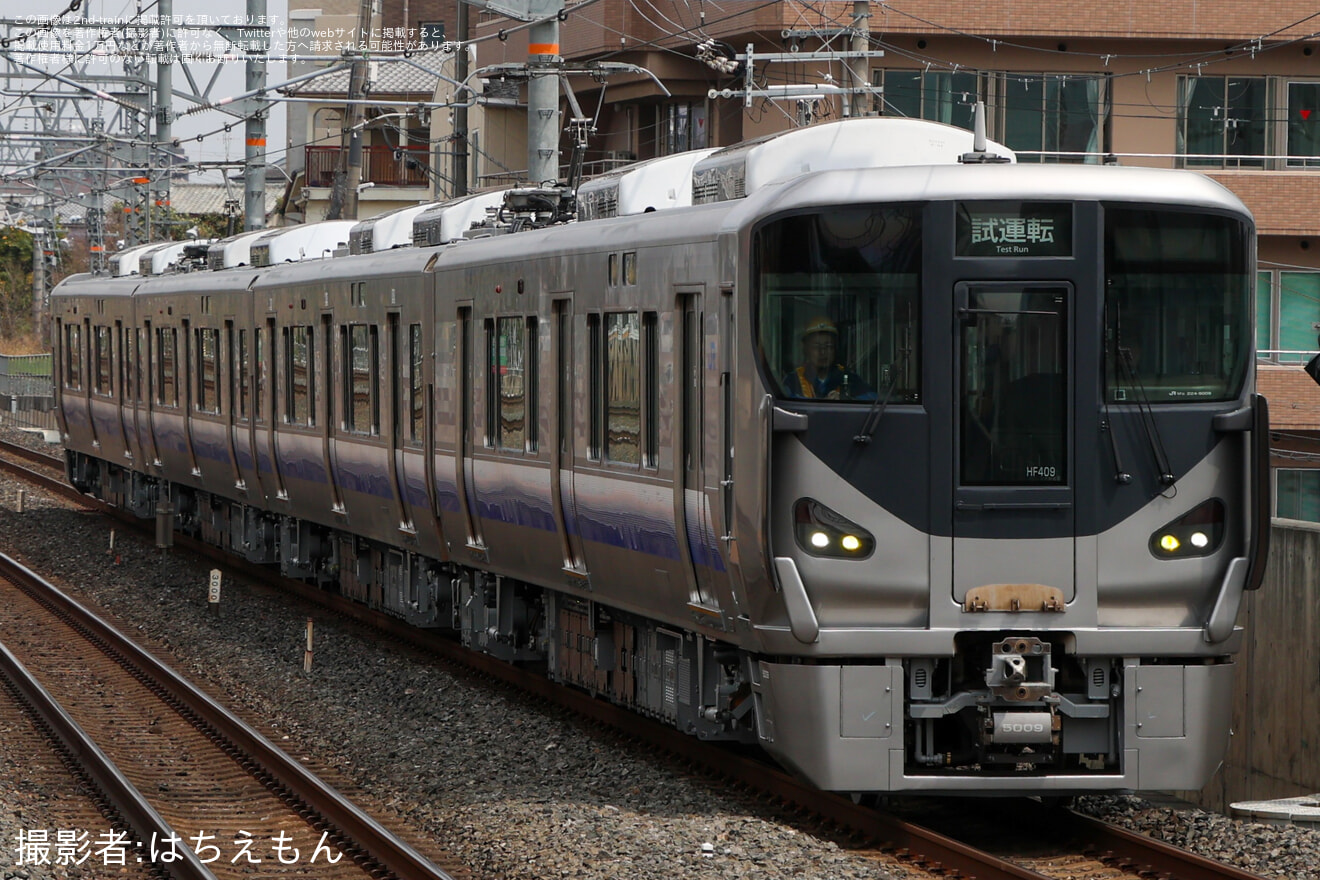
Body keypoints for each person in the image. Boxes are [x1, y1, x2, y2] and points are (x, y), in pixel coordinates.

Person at [782, 316, 876, 400]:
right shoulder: (793, 380)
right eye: (816, 346)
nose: (822, 352)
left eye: (828, 346)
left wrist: (846, 398)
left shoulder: (847, 377)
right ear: (806, 349)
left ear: (835, 349)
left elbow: (873, 398)